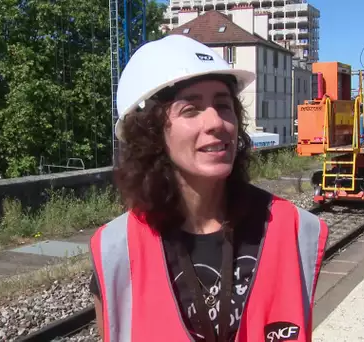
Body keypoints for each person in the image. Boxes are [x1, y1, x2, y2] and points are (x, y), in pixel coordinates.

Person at [88, 34, 329, 342]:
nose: (216, 122)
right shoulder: (116, 249)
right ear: (150, 132)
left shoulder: (294, 229)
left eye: (223, 105)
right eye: (191, 109)